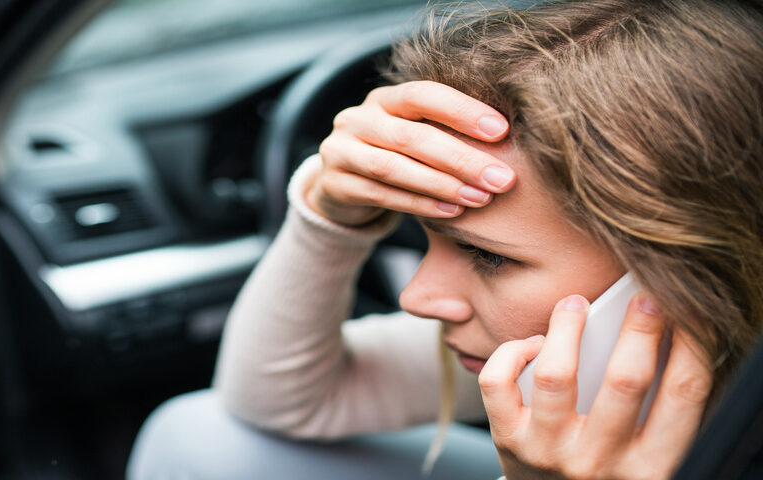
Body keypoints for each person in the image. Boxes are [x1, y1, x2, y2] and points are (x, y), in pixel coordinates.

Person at [128, 0, 763, 478]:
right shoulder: (550, 355)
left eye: (489, 256)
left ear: (697, 270)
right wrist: (328, 212)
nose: (417, 298)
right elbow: (283, 402)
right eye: (424, 235)